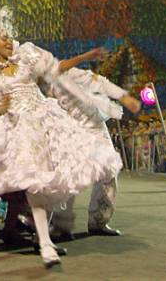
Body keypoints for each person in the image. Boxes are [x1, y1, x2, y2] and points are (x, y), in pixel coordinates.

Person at [0, 8, 122, 268]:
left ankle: (45, 237)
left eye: (11, 37)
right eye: (3, 38)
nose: (9, 41)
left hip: (45, 121)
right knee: (34, 179)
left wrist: (86, 56)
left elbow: (56, 68)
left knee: (53, 176)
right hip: (18, 128)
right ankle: (43, 242)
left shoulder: (27, 59)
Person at [48, 62, 142, 240]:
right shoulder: (54, 82)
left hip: (95, 126)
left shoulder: (86, 77)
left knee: (109, 169)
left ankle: (99, 221)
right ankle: (60, 225)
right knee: (68, 174)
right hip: (70, 127)